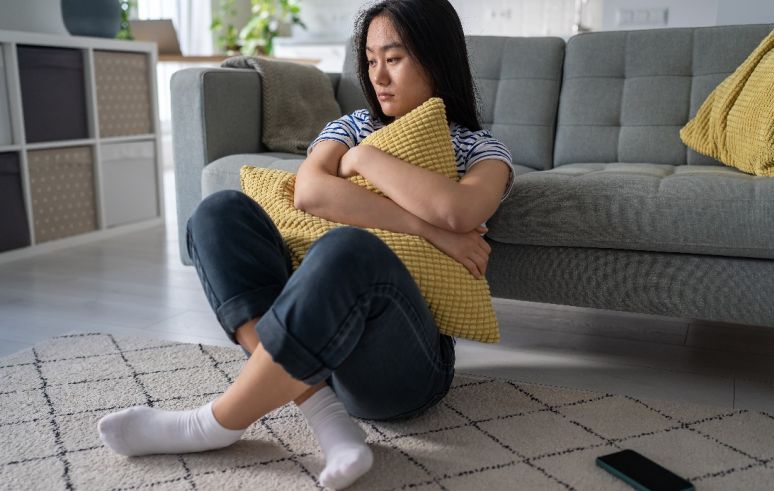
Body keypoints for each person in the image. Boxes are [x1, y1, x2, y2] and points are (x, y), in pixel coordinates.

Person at [96, 0, 515, 489]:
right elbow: (312, 191)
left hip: (403, 367)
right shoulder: (351, 127)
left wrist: (364, 161)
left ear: (436, 59)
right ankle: (322, 410)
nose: (378, 76)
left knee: (347, 249)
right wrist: (426, 228)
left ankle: (211, 424)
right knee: (217, 212)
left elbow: (459, 211)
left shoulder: (479, 148)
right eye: (371, 60)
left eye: (394, 59)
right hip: (321, 341)